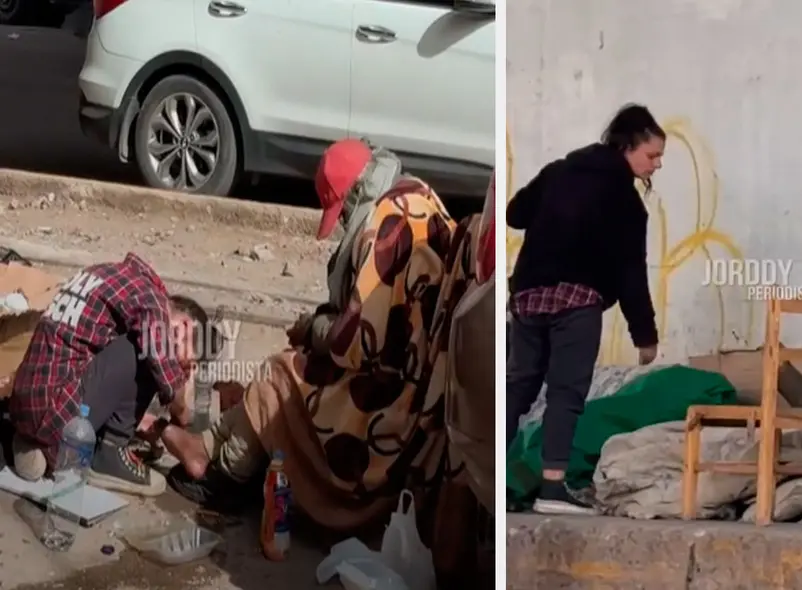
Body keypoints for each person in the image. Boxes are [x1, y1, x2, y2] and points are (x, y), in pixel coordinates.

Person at [152, 139, 485, 543]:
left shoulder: (385, 227)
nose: (344, 221)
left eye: (341, 211)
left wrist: (312, 329)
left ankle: (223, 473)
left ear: (352, 196)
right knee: (294, 362)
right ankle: (206, 446)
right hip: (422, 382)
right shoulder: (418, 197)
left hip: (395, 405)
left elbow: (357, 344)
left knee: (281, 373)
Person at [505, 103, 665, 515]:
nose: (657, 165)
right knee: (565, 392)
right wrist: (644, 336)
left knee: (518, 385)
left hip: (528, 296)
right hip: (576, 302)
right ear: (627, 147)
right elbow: (631, 274)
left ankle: (491, 474)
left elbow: (515, 214)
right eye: (652, 155)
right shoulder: (627, 203)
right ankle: (552, 488)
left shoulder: (559, 170)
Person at [8, 253, 203, 496]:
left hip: (26, 407)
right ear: (184, 326)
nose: (184, 366)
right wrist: (185, 381)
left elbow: (92, 359)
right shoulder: (151, 302)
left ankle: (36, 444)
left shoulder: (106, 274)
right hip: (59, 419)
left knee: (136, 342)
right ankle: (110, 454)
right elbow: (181, 411)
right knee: (144, 349)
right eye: (189, 360)